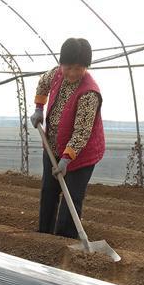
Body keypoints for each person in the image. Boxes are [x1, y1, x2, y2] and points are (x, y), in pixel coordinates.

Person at [30, 38, 105, 238]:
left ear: (86, 67)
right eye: (68, 67)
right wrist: (39, 107)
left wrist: (66, 159)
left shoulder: (89, 93)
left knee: (71, 198)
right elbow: (42, 84)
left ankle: (64, 242)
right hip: (53, 146)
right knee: (49, 191)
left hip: (80, 155)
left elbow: (82, 132)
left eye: (79, 68)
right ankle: (43, 236)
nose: (72, 73)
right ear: (61, 64)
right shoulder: (55, 75)